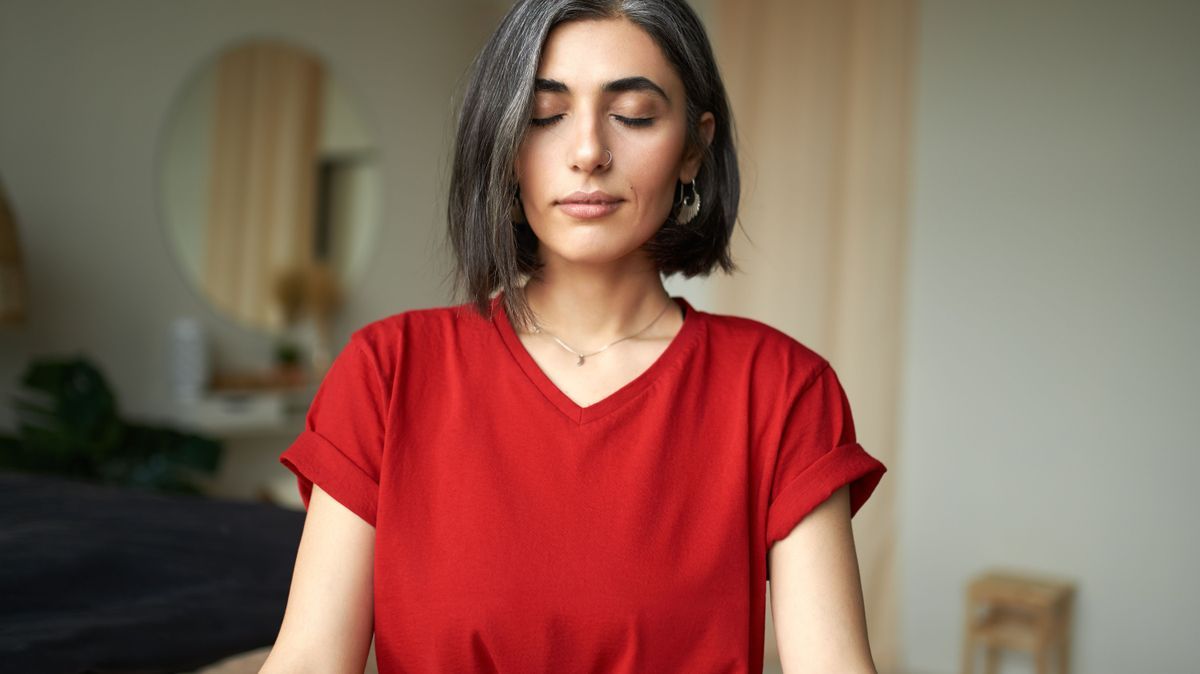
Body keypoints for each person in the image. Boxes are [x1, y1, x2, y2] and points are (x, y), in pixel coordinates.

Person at [263, 1, 887, 672]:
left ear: (694, 148)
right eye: (544, 117)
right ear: (503, 149)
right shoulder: (388, 371)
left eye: (635, 115)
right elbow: (307, 660)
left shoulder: (782, 388)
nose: (588, 152)